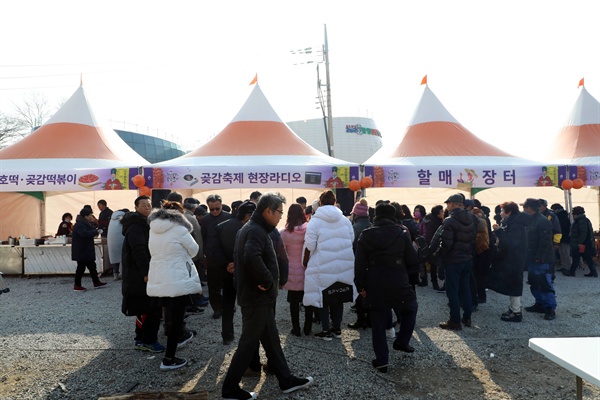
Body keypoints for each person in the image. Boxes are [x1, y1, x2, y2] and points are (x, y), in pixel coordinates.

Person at [222, 192, 313, 400]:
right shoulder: (255, 230)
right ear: (268, 211)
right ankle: (229, 389)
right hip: (255, 297)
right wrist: (267, 281)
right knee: (247, 344)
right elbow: (251, 256)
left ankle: (286, 379)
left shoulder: (256, 228)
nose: (281, 216)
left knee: (271, 340)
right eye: (279, 212)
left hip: (259, 298)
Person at [354, 202, 420, 373]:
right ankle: (402, 341)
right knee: (411, 308)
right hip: (399, 279)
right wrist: (412, 279)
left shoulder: (365, 235)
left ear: (374, 216)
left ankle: (382, 361)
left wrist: (360, 285)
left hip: (374, 281)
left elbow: (359, 263)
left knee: (378, 322)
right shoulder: (401, 233)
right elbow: (412, 260)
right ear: (393, 216)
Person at [147, 201, 202, 370]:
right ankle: (169, 359)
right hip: (177, 278)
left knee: (167, 315)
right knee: (177, 318)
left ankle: (174, 344)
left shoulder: (153, 229)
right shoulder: (180, 229)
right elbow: (194, 250)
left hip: (159, 277)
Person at [303, 189, 356, 341]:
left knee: (324, 297)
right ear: (334, 202)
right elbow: (351, 239)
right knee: (338, 295)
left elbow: (310, 246)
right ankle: (337, 328)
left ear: (320, 202)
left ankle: (326, 330)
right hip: (342, 262)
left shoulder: (315, 221)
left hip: (323, 263)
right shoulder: (345, 220)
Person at [121, 195, 165, 353]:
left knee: (144, 307)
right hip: (139, 274)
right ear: (136, 208)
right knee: (150, 307)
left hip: (143, 271)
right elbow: (139, 251)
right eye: (144, 205)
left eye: (149, 205)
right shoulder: (135, 227)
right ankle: (148, 340)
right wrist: (146, 273)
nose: (147, 207)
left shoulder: (145, 223)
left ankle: (140, 339)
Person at [216, 200, 257, 345]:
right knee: (250, 306)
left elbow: (214, 251)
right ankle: (250, 337)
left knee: (228, 304)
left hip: (227, 271)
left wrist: (227, 264)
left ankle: (227, 335)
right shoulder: (255, 228)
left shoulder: (221, 227)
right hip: (248, 273)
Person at [434, 194, 475, 330]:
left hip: (453, 260)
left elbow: (446, 244)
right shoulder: (470, 217)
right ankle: (467, 318)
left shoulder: (449, 220)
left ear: (452, 204)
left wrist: (438, 255)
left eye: (448, 204)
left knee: (452, 291)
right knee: (465, 288)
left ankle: (455, 321)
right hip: (467, 258)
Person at [488, 202, 528, 322]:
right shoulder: (512, 222)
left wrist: (499, 231)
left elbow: (509, 243)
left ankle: (516, 312)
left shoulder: (515, 225)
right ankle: (513, 308)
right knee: (512, 285)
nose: (500, 213)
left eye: (502, 211)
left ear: (509, 212)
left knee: (514, 285)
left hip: (514, 260)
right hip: (512, 259)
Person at [522, 198, 557, 320]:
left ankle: (550, 309)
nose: (523, 210)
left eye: (524, 208)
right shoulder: (531, 220)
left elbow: (546, 241)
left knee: (544, 283)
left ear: (529, 209)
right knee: (534, 282)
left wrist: (540, 256)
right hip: (532, 258)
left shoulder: (543, 221)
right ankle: (539, 304)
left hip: (543, 259)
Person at [280, 203, 311, 337]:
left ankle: (296, 328)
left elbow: (282, 253)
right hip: (307, 269)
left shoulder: (284, 233)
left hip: (292, 270)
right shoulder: (309, 230)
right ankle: (308, 328)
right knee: (308, 301)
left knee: (293, 302)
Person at [201, 194, 232, 319]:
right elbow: (203, 237)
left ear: (221, 205)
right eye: (211, 209)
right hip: (212, 258)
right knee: (213, 286)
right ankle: (217, 308)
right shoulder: (205, 219)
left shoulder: (229, 218)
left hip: (226, 257)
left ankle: (229, 306)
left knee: (228, 285)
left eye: (217, 208)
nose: (214, 211)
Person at [348, 198, 372, 330]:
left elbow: (350, 247)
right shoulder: (373, 226)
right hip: (372, 265)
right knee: (370, 291)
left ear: (355, 214)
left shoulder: (354, 228)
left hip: (357, 264)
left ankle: (361, 319)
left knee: (359, 292)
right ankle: (370, 319)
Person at [71, 207, 107, 291]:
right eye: (90, 215)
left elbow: (90, 232)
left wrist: (96, 228)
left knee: (92, 266)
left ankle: (96, 282)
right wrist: (95, 232)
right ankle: (77, 285)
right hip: (82, 250)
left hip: (85, 249)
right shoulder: (79, 225)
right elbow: (84, 234)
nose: (91, 217)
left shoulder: (85, 224)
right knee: (81, 268)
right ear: (86, 216)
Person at [564, 206, 598, 277]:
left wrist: (579, 242)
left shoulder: (580, 221)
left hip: (581, 244)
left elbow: (583, 233)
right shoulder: (584, 220)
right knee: (587, 258)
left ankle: (572, 272)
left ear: (575, 214)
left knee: (576, 257)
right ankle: (593, 272)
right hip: (586, 243)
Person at [420, 205, 444, 291]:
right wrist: (431, 246)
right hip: (432, 245)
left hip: (435, 245)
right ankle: (434, 282)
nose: (443, 212)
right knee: (433, 264)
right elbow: (429, 235)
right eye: (441, 211)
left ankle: (431, 281)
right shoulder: (431, 222)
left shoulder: (437, 220)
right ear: (437, 212)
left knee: (434, 264)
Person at [107, 208, 129, 281]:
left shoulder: (112, 218)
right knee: (123, 257)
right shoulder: (123, 218)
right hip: (121, 240)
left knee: (114, 257)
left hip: (111, 241)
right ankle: (123, 274)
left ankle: (115, 274)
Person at [551, 203, 572, 272]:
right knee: (562, 252)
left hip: (564, 237)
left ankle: (568, 267)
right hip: (563, 237)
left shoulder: (561, 217)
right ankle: (564, 266)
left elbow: (562, 227)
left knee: (565, 252)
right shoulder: (563, 216)